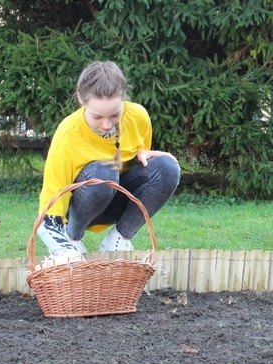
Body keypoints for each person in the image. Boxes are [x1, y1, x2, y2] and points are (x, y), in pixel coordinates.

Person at [36, 60, 180, 258]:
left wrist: (141, 154)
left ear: (123, 100)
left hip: (117, 200)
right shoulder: (67, 135)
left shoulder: (138, 117)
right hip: (82, 205)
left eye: (114, 115)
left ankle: (119, 239)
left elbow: (134, 155)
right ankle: (74, 239)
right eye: (97, 117)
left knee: (167, 167)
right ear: (81, 99)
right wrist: (65, 252)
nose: (106, 124)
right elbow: (48, 216)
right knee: (105, 171)